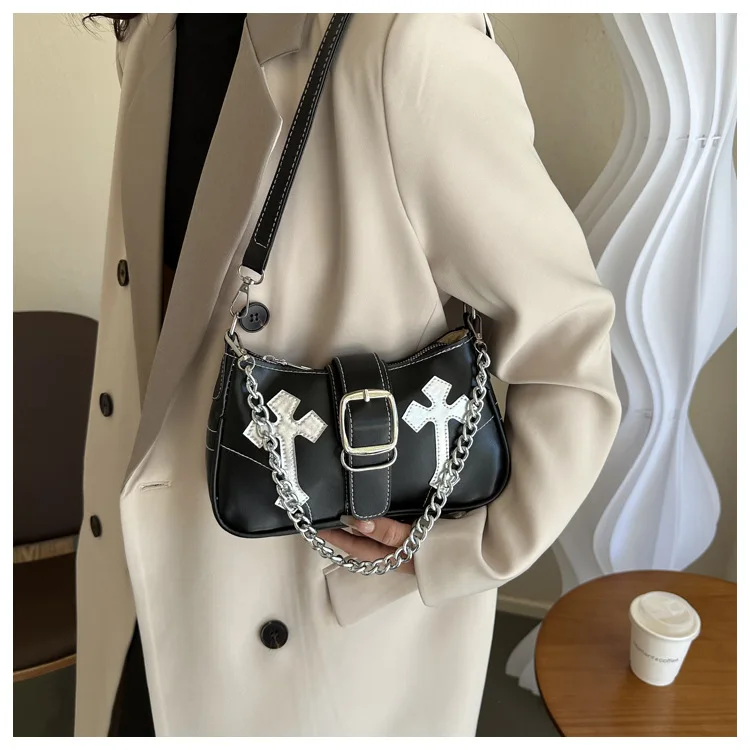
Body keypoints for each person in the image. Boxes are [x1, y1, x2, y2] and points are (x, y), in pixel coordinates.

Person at [76, 12, 622, 737]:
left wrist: (465, 549)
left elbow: (568, 348)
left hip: (311, 633)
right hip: (140, 586)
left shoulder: (405, 43)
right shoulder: (152, 30)